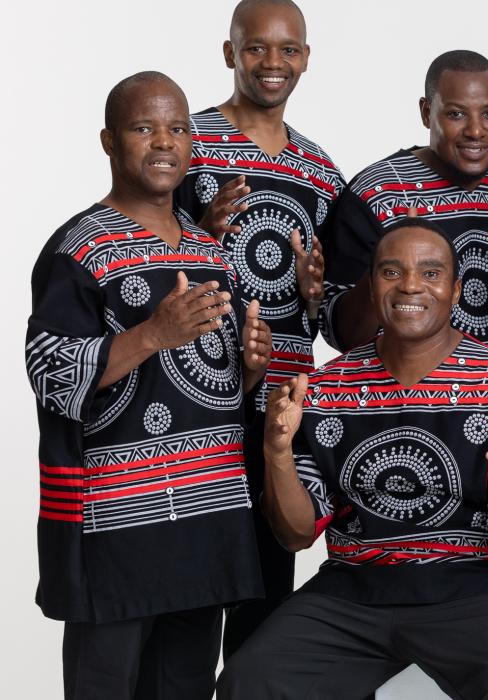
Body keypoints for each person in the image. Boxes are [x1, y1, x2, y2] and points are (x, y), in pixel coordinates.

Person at [218, 219, 488, 699]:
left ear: (456, 290)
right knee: (249, 676)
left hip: (478, 589)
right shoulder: (324, 389)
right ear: (372, 285)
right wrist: (276, 453)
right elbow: (295, 534)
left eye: (431, 273)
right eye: (391, 272)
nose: (410, 286)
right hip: (353, 590)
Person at [26, 71, 268, 699]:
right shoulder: (78, 249)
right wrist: (152, 334)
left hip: (206, 519)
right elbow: (50, 374)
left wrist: (250, 367)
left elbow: (217, 388)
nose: (164, 142)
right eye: (143, 127)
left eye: (178, 128)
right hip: (118, 529)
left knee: (186, 686)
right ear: (109, 141)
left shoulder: (209, 251)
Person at [172, 0, 343, 655]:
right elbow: (144, 253)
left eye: (288, 49)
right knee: (188, 599)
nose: (273, 62)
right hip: (195, 400)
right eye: (256, 47)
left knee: (265, 600)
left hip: (281, 406)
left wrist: (314, 293)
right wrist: (201, 232)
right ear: (229, 52)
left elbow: (331, 313)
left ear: (306, 58)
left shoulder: (321, 172)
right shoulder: (185, 142)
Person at [322, 50, 488, 360]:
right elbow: (342, 334)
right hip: (393, 387)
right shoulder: (378, 194)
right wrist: (385, 263)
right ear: (427, 112)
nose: (476, 130)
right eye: (456, 114)